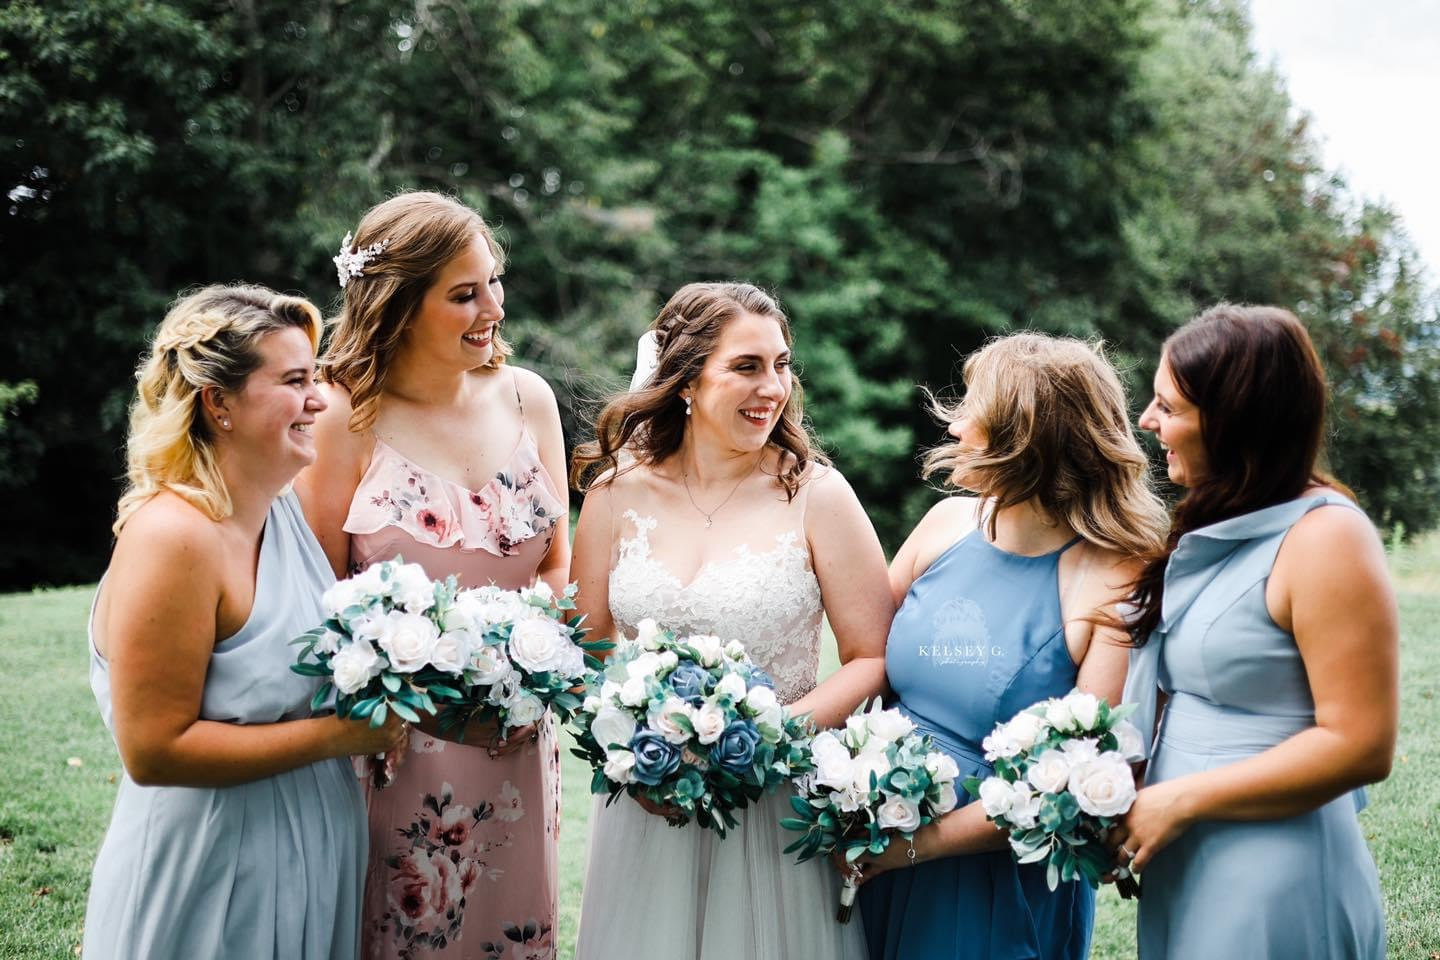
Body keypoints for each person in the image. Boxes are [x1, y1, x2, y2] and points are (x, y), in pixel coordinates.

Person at [569, 282, 895, 960]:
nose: (773, 387)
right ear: (685, 381)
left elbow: (871, 654)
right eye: (747, 366)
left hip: (772, 801)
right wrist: (632, 745)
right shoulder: (614, 494)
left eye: (781, 364)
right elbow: (588, 647)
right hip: (646, 801)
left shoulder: (817, 495)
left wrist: (769, 739)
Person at [83, 284, 406, 959]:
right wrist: (338, 735)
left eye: (314, 376)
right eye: (294, 381)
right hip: (212, 868)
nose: (320, 399)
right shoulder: (173, 537)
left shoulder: (282, 511)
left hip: (313, 854)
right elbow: (153, 749)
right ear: (218, 402)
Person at [296, 191, 570, 959]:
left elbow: (555, 563)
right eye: (464, 293)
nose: (494, 307)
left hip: (513, 737)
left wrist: (514, 668)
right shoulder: (339, 416)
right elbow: (317, 598)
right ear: (400, 305)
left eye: (494, 281)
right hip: (392, 749)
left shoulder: (529, 400)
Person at [854, 333, 1169, 960]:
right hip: (878, 827)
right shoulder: (944, 525)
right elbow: (866, 662)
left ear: (1026, 438)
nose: (955, 422)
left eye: (975, 408)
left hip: (996, 868)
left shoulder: (1117, 576)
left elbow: (1079, 776)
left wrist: (915, 847)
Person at [1111, 304, 1396, 958]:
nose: (1148, 422)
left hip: (1273, 866)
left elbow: (1361, 745)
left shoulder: (1326, 538)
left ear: (1237, 421)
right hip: (1190, 856)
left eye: (1169, 407)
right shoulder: (1218, 523)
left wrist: (1178, 801)